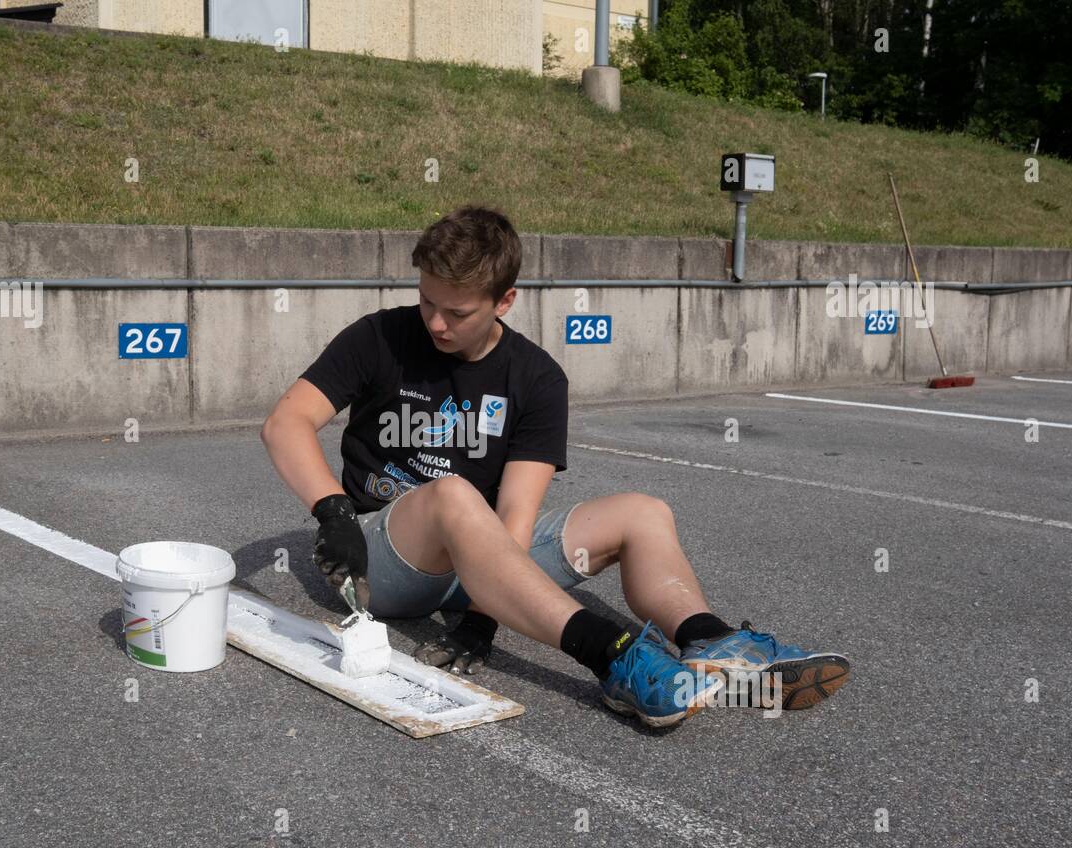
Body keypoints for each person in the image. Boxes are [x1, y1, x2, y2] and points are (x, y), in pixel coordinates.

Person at [260, 206, 849, 727]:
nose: (436, 323)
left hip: (483, 550)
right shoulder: (380, 337)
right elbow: (285, 422)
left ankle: (707, 641)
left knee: (642, 513)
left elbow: (517, 511)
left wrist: (481, 617)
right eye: (427, 301)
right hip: (384, 558)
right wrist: (332, 510)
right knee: (453, 493)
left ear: (505, 301)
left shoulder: (537, 378)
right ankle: (612, 656)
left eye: (457, 312)